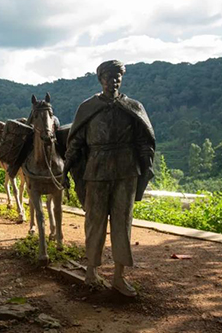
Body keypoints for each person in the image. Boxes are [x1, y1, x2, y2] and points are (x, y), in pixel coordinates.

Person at [62, 60, 155, 297]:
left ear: (121, 80)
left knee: (122, 224)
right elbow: (76, 142)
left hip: (126, 171)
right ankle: (91, 270)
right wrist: (66, 168)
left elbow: (144, 141)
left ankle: (119, 276)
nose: (112, 81)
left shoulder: (133, 107)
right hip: (96, 171)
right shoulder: (88, 108)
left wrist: (147, 165)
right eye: (108, 77)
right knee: (95, 221)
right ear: (100, 80)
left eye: (117, 77)